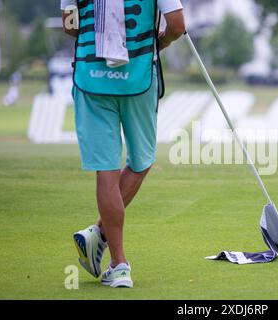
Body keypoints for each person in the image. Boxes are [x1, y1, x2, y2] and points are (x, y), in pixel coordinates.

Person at [61, 0, 185, 288]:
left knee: (106, 169)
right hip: (139, 75)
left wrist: (101, 34)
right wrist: (161, 42)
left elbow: (70, 24)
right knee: (141, 160)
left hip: (91, 76)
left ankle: (115, 259)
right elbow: (177, 25)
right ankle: (108, 249)